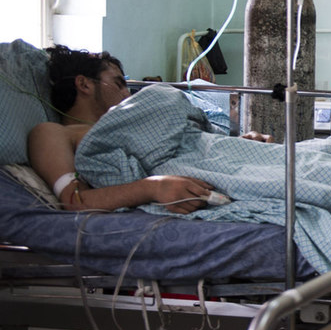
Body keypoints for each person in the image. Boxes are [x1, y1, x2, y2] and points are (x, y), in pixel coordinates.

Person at [27, 45, 227, 213]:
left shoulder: (138, 121)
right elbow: (74, 201)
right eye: (118, 84)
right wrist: (155, 187)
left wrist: (239, 140)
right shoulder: (53, 133)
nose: (127, 95)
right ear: (84, 84)